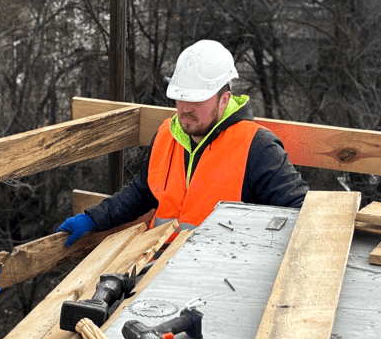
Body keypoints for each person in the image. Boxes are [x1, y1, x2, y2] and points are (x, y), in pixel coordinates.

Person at [57, 39, 309, 246]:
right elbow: (141, 194)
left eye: (197, 100)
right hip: (158, 261)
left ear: (224, 99)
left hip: (225, 276)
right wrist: (91, 219)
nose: (185, 108)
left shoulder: (257, 147)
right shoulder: (167, 135)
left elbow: (300, 209)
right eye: (180, 98)